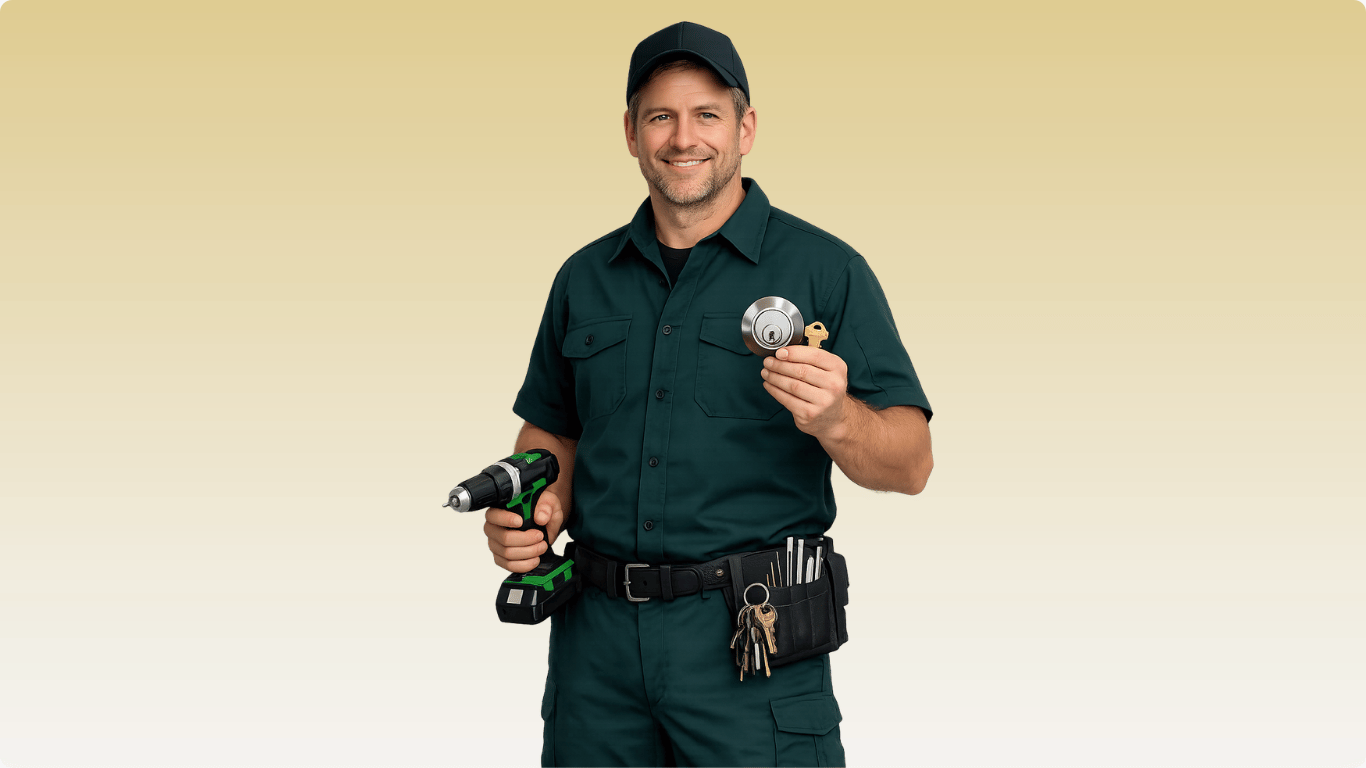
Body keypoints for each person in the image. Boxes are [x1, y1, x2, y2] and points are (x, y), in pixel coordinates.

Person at [482, 21, 933, 767]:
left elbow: (911, 463)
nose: (682, 137)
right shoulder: (584, 278)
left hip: (749, 648)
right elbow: (550, 432)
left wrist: (838, 419)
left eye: (707, 115)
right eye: (660, 115)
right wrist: (533, 510)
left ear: (746, 127)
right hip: (594, 653)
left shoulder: (827, 270)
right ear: (630, 133)